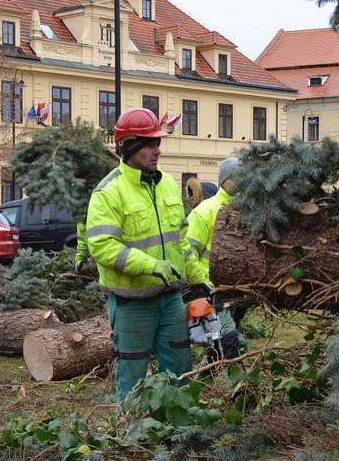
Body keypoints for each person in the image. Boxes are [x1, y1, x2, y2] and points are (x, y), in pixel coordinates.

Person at [86, 108, 211, 401]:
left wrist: (198, 280)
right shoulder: (109, 192)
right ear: (129, 146)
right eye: (150, 143)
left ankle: (179, 437)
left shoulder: (167, 183)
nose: (157, 150)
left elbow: (180, 240)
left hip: (171, 300)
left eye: (158, 143)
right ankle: (131, 438)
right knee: (131, 379)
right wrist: (151, 265)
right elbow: (103, 246)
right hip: (132, 304)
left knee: (179, 371)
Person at [186, 157, 245, 363]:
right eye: (237, 179)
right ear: (225, 181)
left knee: (220, 345)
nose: (241, 184)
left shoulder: (247, 212)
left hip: (237, 290)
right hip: (211, 290)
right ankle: (242, 392)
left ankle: (201, 380)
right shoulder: (205, 212)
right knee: (230, 342)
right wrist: (202, 284)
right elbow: (187, 252)